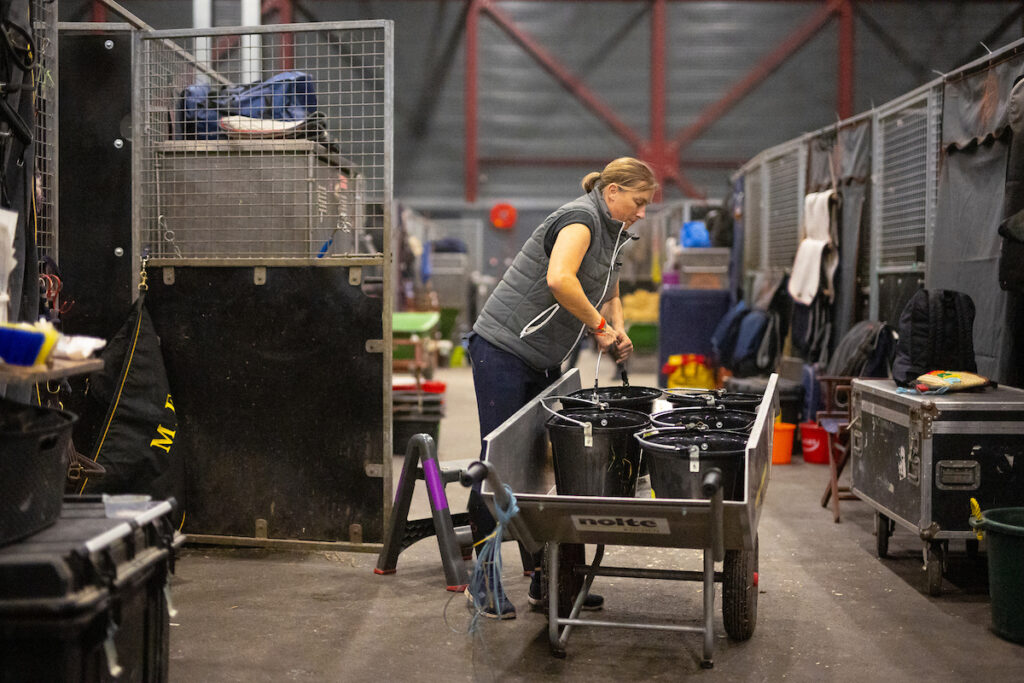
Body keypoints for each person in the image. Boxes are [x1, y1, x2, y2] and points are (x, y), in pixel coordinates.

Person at [464, 157, 658, 618]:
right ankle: (482, 579)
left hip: (543, 357)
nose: (643, 212)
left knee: (541, 468)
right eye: (639, 201)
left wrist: (617, 328)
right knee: (500, 465)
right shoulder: (580, 220)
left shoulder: (615, 233)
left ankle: (544, 580)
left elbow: (609, 292)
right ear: (612, 191)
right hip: (504, 349)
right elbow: (559, 279)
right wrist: (597, 327)